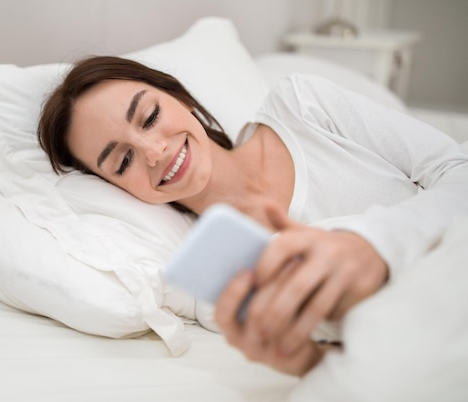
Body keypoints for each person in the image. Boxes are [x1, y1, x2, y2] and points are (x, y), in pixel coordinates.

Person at [37, 55, 468, 376]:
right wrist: (308, 363)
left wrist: (372, 244)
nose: (154, 152)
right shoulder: (214, 278)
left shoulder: (304, 105)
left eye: (149, 116)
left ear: (179, 96)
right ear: (117, 189)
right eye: (123, 161)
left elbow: (457, 170)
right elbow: (367, 358)